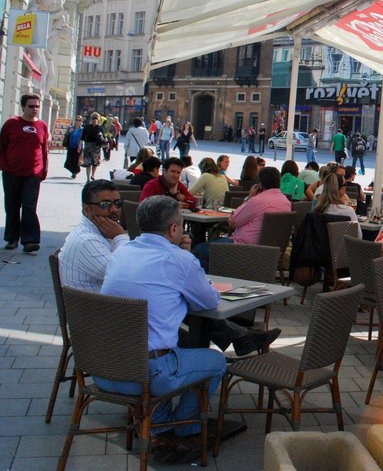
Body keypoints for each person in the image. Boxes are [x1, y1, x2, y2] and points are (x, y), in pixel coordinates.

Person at [98, 197, 279, 461]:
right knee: (216, 361)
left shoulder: (121, 252)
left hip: (105, 367)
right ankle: (186, 426)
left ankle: (160, 426)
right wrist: (185, 259)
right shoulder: (179, 260)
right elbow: (209, 301)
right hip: (148, 374)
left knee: (175, 340)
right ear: (174, 229)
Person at [1, 94, 49, 254]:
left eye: (37, 106)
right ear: (23, 107)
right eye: (31, 106)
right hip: (12, 172)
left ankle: (30, 240)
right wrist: (4, 166)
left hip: (33, 174)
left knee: (29, 206)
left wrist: (43, 171)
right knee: (12, 206)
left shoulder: (42, 126)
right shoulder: (11, 124)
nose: (34, 109)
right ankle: (12, 238)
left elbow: (44, 151)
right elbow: (2, 146)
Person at [60, 180, 129, 292]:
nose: (114, 210)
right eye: (105, 204)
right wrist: (120, 236)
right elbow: (126, 272)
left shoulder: (102, 232)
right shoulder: (87, 240)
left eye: (117, 203)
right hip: (100, 307)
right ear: (86, 209)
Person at [80, 112, 104, 182]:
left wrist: (80, 145)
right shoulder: (99, 127)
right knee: (95, 162)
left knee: (88, 163)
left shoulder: (87, 127)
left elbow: (82, 137)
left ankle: (88, 178)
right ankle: (92, 175)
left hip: (88, 146)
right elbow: (103, 138)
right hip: (96, 147)